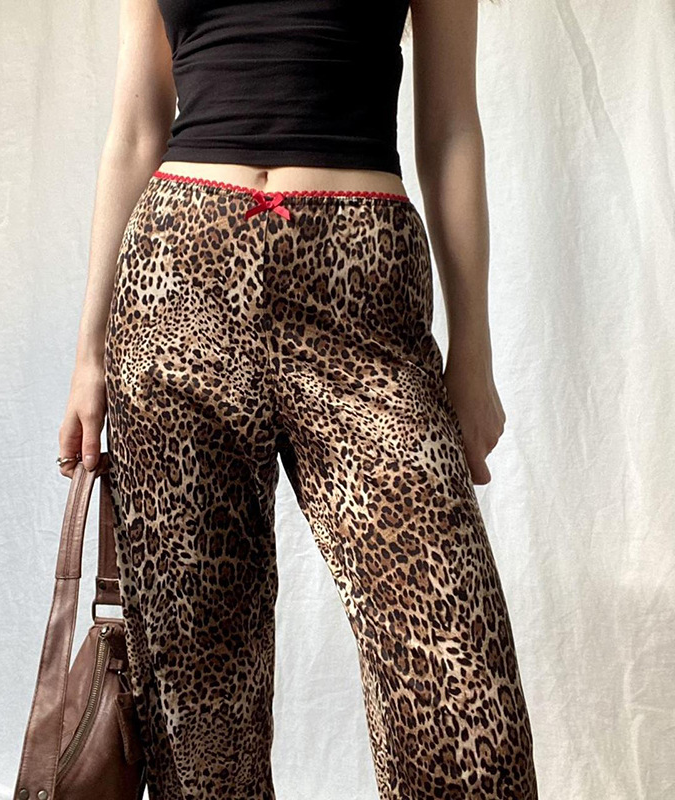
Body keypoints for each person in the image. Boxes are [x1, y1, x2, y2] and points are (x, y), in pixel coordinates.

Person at [56, 0, 539, 797]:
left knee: (459, 678)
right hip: (177, 283)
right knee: (197, 700)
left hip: (363, 294)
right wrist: (88, 359)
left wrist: (474, 355)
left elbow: (452, 127)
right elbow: (137, 127)